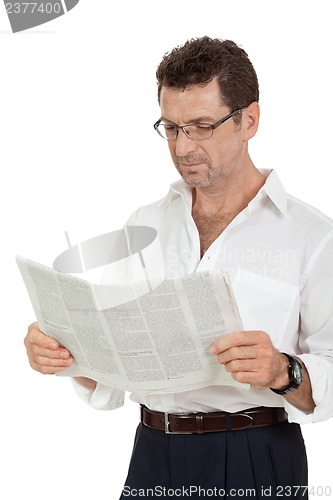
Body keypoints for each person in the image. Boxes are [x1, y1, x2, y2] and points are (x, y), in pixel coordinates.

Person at [24, 36, 333, 499]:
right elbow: (113, 367)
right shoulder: (145, 223)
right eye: (170, 127)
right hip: (152, 451)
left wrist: (281, 370)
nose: (182, 146)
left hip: (255, 453)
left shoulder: (313, 236)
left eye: (202, 126)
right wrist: (69, 358)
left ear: (249, 120)